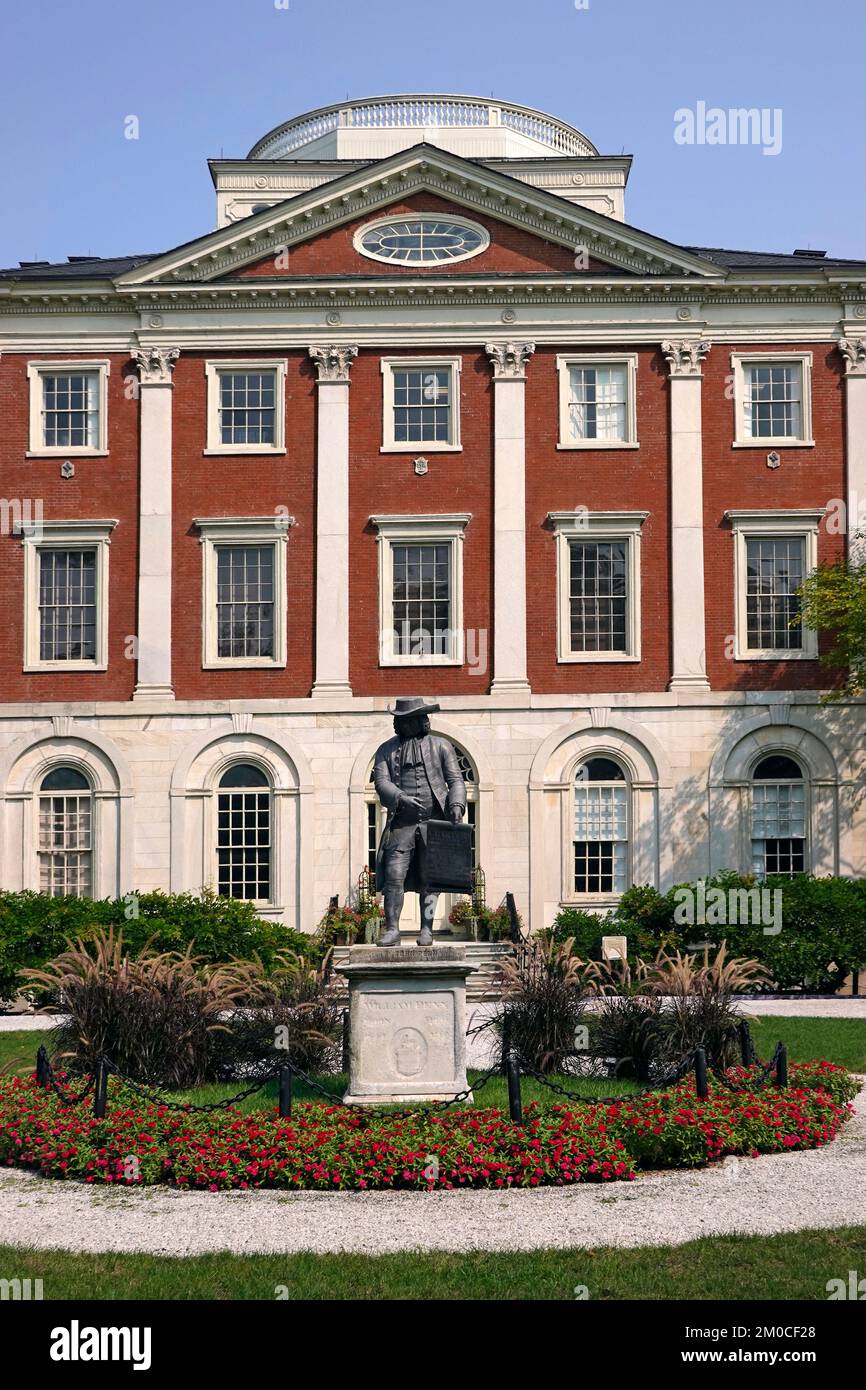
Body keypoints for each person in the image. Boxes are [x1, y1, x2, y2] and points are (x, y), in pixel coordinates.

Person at [372, 696, 466, 946]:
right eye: (404, 721)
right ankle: (392, 929)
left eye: (414, 719)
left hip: (434, 823)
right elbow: (381, 783)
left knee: (430, 878)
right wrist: (400, 798)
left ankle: (427, 929)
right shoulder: (385, 749)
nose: (409, 724)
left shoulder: (441, 745)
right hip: (402, 824)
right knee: (394, 875)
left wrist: (456, 805)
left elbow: (455, 780)